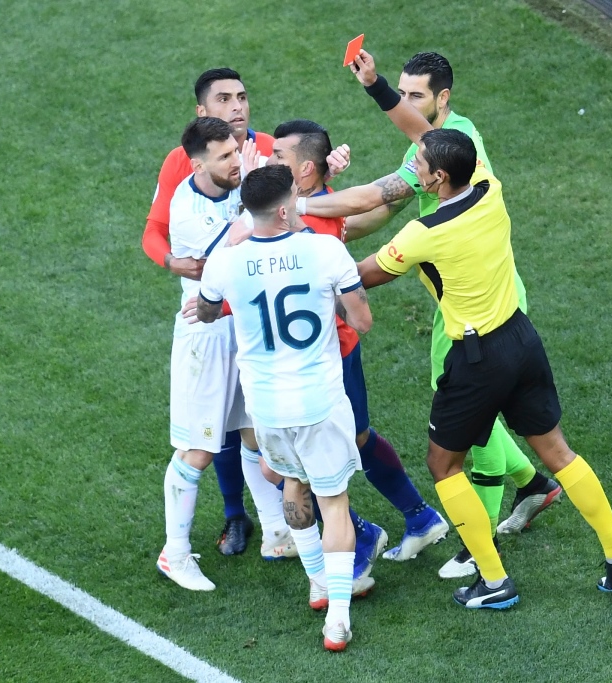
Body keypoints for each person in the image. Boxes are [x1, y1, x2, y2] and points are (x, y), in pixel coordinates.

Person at [309, 128, 612, 608]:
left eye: (419, 163)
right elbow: (431, 136)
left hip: (476, 360)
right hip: (521, 338)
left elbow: (360, 276)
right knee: (558, 451)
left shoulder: (422, 234)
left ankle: (494, 581)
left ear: (439, 177)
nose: (411, 166)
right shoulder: (490, 189)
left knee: (443, 464)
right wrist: (379, 89)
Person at [342, 50, 562, 576]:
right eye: (403, 92)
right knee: (475, 415)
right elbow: (386, 206)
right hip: (457, 305)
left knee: (470, 424)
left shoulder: (459, 140)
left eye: (416, 95)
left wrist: (305, 215)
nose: (408, 105)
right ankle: (533, 485)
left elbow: (380, 193)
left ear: (442, 99)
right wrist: (337, 233)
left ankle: (477, 543)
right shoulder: (430, 151)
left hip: (483, 311)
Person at [143, 68, 350, 556]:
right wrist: (172, 261)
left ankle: (279, 529)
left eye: (242, 96)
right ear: (202, 112)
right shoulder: (184, 166)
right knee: (213, 435)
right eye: (223, 99)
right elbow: (157, 229)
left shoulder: (264, 149)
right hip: (211, 317)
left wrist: (323, 172)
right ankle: (234, 520)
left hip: (253, 317)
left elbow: (291, 205)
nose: (236, 107)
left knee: (254, 430)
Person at [196, 164, 372, 651]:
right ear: (282, 208)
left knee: (293, 483)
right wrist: (333, 299)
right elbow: (363, 319)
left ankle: (317, 582)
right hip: (318, 401)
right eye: (296, 196)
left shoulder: (226, 262)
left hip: (266, 408)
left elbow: (208, 310)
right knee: (334, 502)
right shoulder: (324, 250)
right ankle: (337, 618)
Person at [268, 119, 449, 569]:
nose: (269, 161)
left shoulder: (306, 223)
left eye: (278, 157)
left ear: (304, 170)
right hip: (327, 351)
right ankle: (418, 518)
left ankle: (357, 541)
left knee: (288, 464)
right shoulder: (314, 209)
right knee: (356, 438)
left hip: (317, 357)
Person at [156, 117, 295, 592]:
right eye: (224, 157)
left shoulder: (239, 183)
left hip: (246, 331)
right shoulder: (186, 208)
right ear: (197, 164)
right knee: (197, 450)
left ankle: (277, 531)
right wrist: (254, 192)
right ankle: (174, 553)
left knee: (255, 434)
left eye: (237, 152)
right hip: (207, 337)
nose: (236, 162)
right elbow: (221, 257)